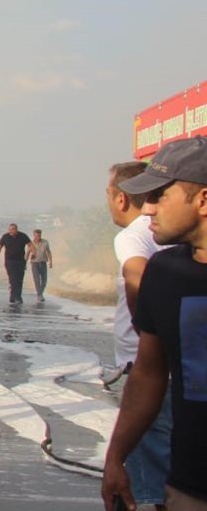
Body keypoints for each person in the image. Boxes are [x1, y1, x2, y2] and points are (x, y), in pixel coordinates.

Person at [103, 137, 207, 511]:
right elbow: (148, 373)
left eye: (160, 196)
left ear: (203, 200)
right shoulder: (165, 275)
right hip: (189, 486)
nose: (146, 209)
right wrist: (116, 457)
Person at [105, 160, 172, 509]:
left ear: (120, 199)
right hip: (173, 367)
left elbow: (138, 279)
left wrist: (150, 334)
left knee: (143, 485)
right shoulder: (169, 233)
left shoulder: (133, 235)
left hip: (145, 368)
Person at [0, 223, 33, 304]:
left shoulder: (23, 236)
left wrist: (34, 254)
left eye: (13, 229)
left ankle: (17, 296)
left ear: (16, 230)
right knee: (13, 279)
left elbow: (31, 245)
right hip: (9, 262)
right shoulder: (5, 237)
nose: (11, 231)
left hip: (21, 262)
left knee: (19, 280)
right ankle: (14, 296)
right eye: (10, 229)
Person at [28, 229, 54, 303]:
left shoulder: (45, 242)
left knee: (44, 280)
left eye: (39, 236)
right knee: (37, 280)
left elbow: (48, 252)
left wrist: (51, 262)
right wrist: (24, 263)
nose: (37, 237)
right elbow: (27, 253)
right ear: (34, 235)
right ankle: (39, 295)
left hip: (43, 262)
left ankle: (40, 293)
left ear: (41, 235)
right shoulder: (31, 243)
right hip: (34, 263)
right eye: (36, 236)